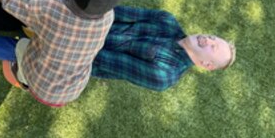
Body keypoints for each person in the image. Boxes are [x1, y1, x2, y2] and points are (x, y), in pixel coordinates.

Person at [91, 6, 236, 91]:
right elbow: (116, 12)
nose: (207, 39)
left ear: (207, 65)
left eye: (213, 47)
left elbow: (100, 59)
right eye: (212, 37)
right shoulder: (168, 20)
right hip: (90, 20)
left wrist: (83, 30)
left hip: (82, 52)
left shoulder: (164, 75)